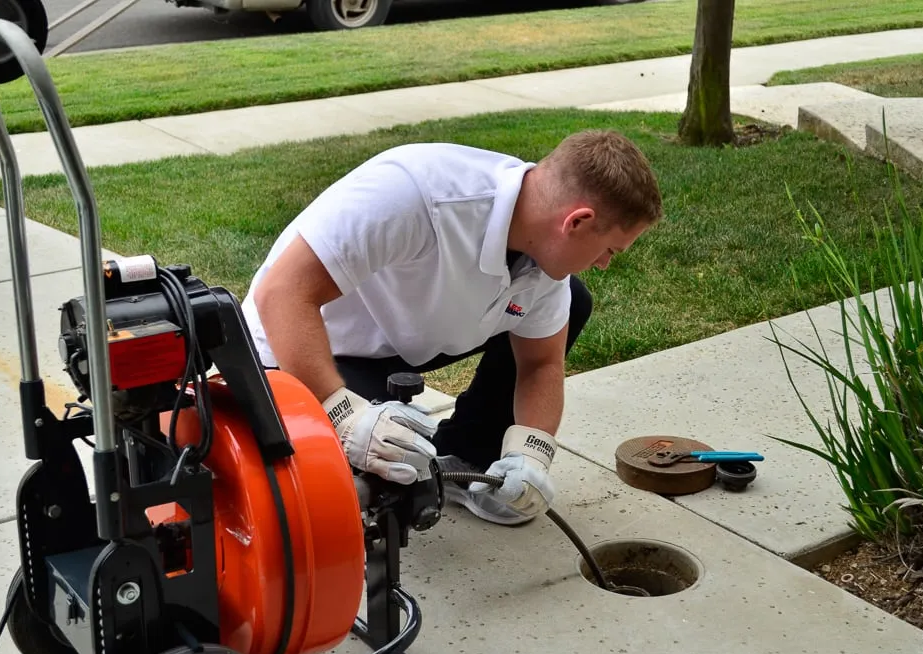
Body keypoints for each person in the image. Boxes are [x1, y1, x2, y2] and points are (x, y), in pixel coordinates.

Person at [241, 129, 663, 526]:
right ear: (576, 222)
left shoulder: (543, 247)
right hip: (305, 345)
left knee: (575, 299)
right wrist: (343, 415)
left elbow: (540, 364)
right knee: (375, 488)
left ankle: (466, 458)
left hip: (407, 334)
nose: (605, 263)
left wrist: (531, 453)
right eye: (610, 250)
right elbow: (281, 294)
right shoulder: (415, 194)